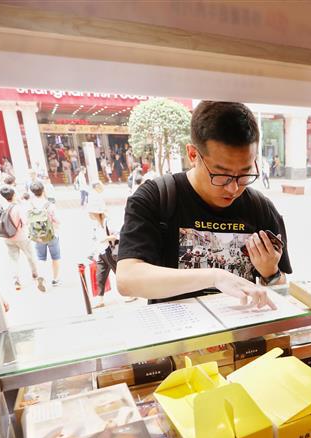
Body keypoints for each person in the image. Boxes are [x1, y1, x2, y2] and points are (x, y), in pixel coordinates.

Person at [117, 101, 291, 307]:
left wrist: (271, 273)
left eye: (245, 173)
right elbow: (127, 279)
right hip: (180, 335)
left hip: (242, 335)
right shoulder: (156, 198)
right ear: (193, 155)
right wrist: (215, 276)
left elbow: (282, 290)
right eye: (222, 175)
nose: (233, 188)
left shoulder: (260, 208)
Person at [0, 186, 45, 292]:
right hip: (22, 237)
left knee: (13, 259)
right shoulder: (18, 208)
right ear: (14, 195)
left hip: (8, 237)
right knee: (30, 256)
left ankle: (16, 280)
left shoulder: (2, 207)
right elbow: (25, 222)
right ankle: (35, 274)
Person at [27, 181, 62, 286]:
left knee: (41, 258)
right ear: (43, 190)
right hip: (52, 235)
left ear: (32, 192)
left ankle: (41, 276)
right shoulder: (49, 205)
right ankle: (55, 280)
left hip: (38, 236)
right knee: (55, 258)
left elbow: (27, 221)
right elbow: (57, 220)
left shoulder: (30, 205)